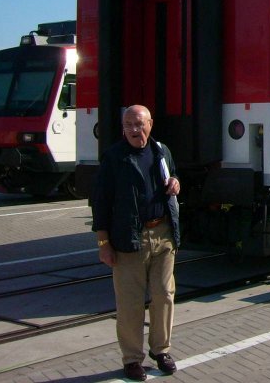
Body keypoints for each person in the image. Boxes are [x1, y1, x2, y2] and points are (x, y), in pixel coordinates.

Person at [92, 105, 181, 381]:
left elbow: (173, 178)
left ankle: (160, 350)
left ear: (150, 124)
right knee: (130, 303)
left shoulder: (161, 151)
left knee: (164, 295)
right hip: (130, 238)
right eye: (128, 125)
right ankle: (132, 359)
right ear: (123, 128)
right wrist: (103, 243)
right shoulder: (114, 159)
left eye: (138, 124)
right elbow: (100, 203)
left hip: (163, 234)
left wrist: (176, 183)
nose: (133, 129)